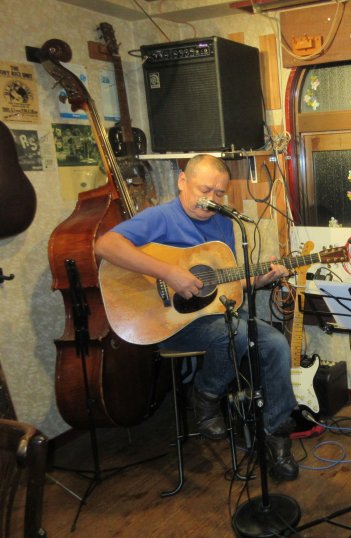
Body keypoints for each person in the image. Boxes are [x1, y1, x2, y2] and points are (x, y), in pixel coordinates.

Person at [94, 154, 299, 481]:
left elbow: (222, 283)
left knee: (275, 343)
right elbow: (106, 245)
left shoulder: (223, 223)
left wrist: (260, 279)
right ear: (182, 182)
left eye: (219, 193)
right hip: (166, 321)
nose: (211, 199)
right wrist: (168, 273)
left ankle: (275, 436)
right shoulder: (161, 217)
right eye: (205, 190)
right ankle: (206, 395)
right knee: (233, 332)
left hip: (212, 316)